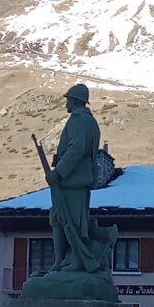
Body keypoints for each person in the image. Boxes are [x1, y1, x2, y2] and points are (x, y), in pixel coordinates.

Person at [44, 84, 101, 273]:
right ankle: (62, 260)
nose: (66, 102)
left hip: (71, 181)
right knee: (63, 219)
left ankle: (72, 259)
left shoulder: (78, 120)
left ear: (75, 100)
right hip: (78, 180)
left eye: (68, 99)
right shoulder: (90, 121)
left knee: (70, 222)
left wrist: (58, 172)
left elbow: (76, 149)